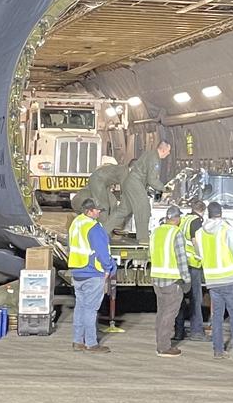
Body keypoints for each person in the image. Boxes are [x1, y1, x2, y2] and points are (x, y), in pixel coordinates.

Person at [197, 200, 233, 359]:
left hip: (212, 281)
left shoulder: (200, 233)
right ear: (221, 214)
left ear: (208, 214)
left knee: (217, 317)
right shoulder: (227, 230)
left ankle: (218, 350)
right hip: (229, 279)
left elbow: (200, 254)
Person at [66, 195, 116, 352]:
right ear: (89, 211)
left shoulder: (76, 223)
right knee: (90, 309)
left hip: (77, 271)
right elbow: (102, 251)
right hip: (92, 272)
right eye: (97, 210)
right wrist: (108, 268)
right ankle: (91, 343)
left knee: (80, 307)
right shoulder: (93, 227)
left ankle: (77, 341)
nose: (99, 212)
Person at [149, 203, 190, 356]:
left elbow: (150, 254)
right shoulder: (176, 233)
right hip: (172, 281)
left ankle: (160, 342)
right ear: (177, 218)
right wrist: (186, 279)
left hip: (157, 279)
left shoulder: (156, 232)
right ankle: (164, 347)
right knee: (169, 314)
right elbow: (181, 259)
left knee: (161, 313)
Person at [122, 138, 171, 239]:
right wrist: (164, 189)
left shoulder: (150, 154)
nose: (169, 153)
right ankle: (143, 239)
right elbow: (152, 179)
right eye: (168, 151)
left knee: (123, 209)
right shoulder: (155, 159)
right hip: (136, 183)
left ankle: (105, 229)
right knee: (144, 210)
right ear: (163, 150)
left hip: (132, 182)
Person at [176, 196, 208, 342]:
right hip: (193, 265)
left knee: (181, 298)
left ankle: (179, 331)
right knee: (196, 298)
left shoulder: (184, 220)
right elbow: (196, 242)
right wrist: (202, 256)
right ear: (203, 211)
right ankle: (197, 331)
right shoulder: (196, 222)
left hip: (182, 263)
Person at [80, 161, 127, 230]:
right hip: (98, 180)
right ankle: (102, 229)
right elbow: (125, 190)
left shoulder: (122, 169)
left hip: (104, 184)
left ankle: (112, 224)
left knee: (113, 201)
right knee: (104, 206)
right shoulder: (125, 171)